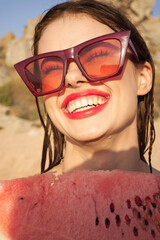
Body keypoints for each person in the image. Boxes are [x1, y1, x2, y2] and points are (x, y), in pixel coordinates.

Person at [14, 0, 159, 175]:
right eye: (52, 69)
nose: (72, 77)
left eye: (98, 56)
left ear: (142, 78)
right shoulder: (17, 201)